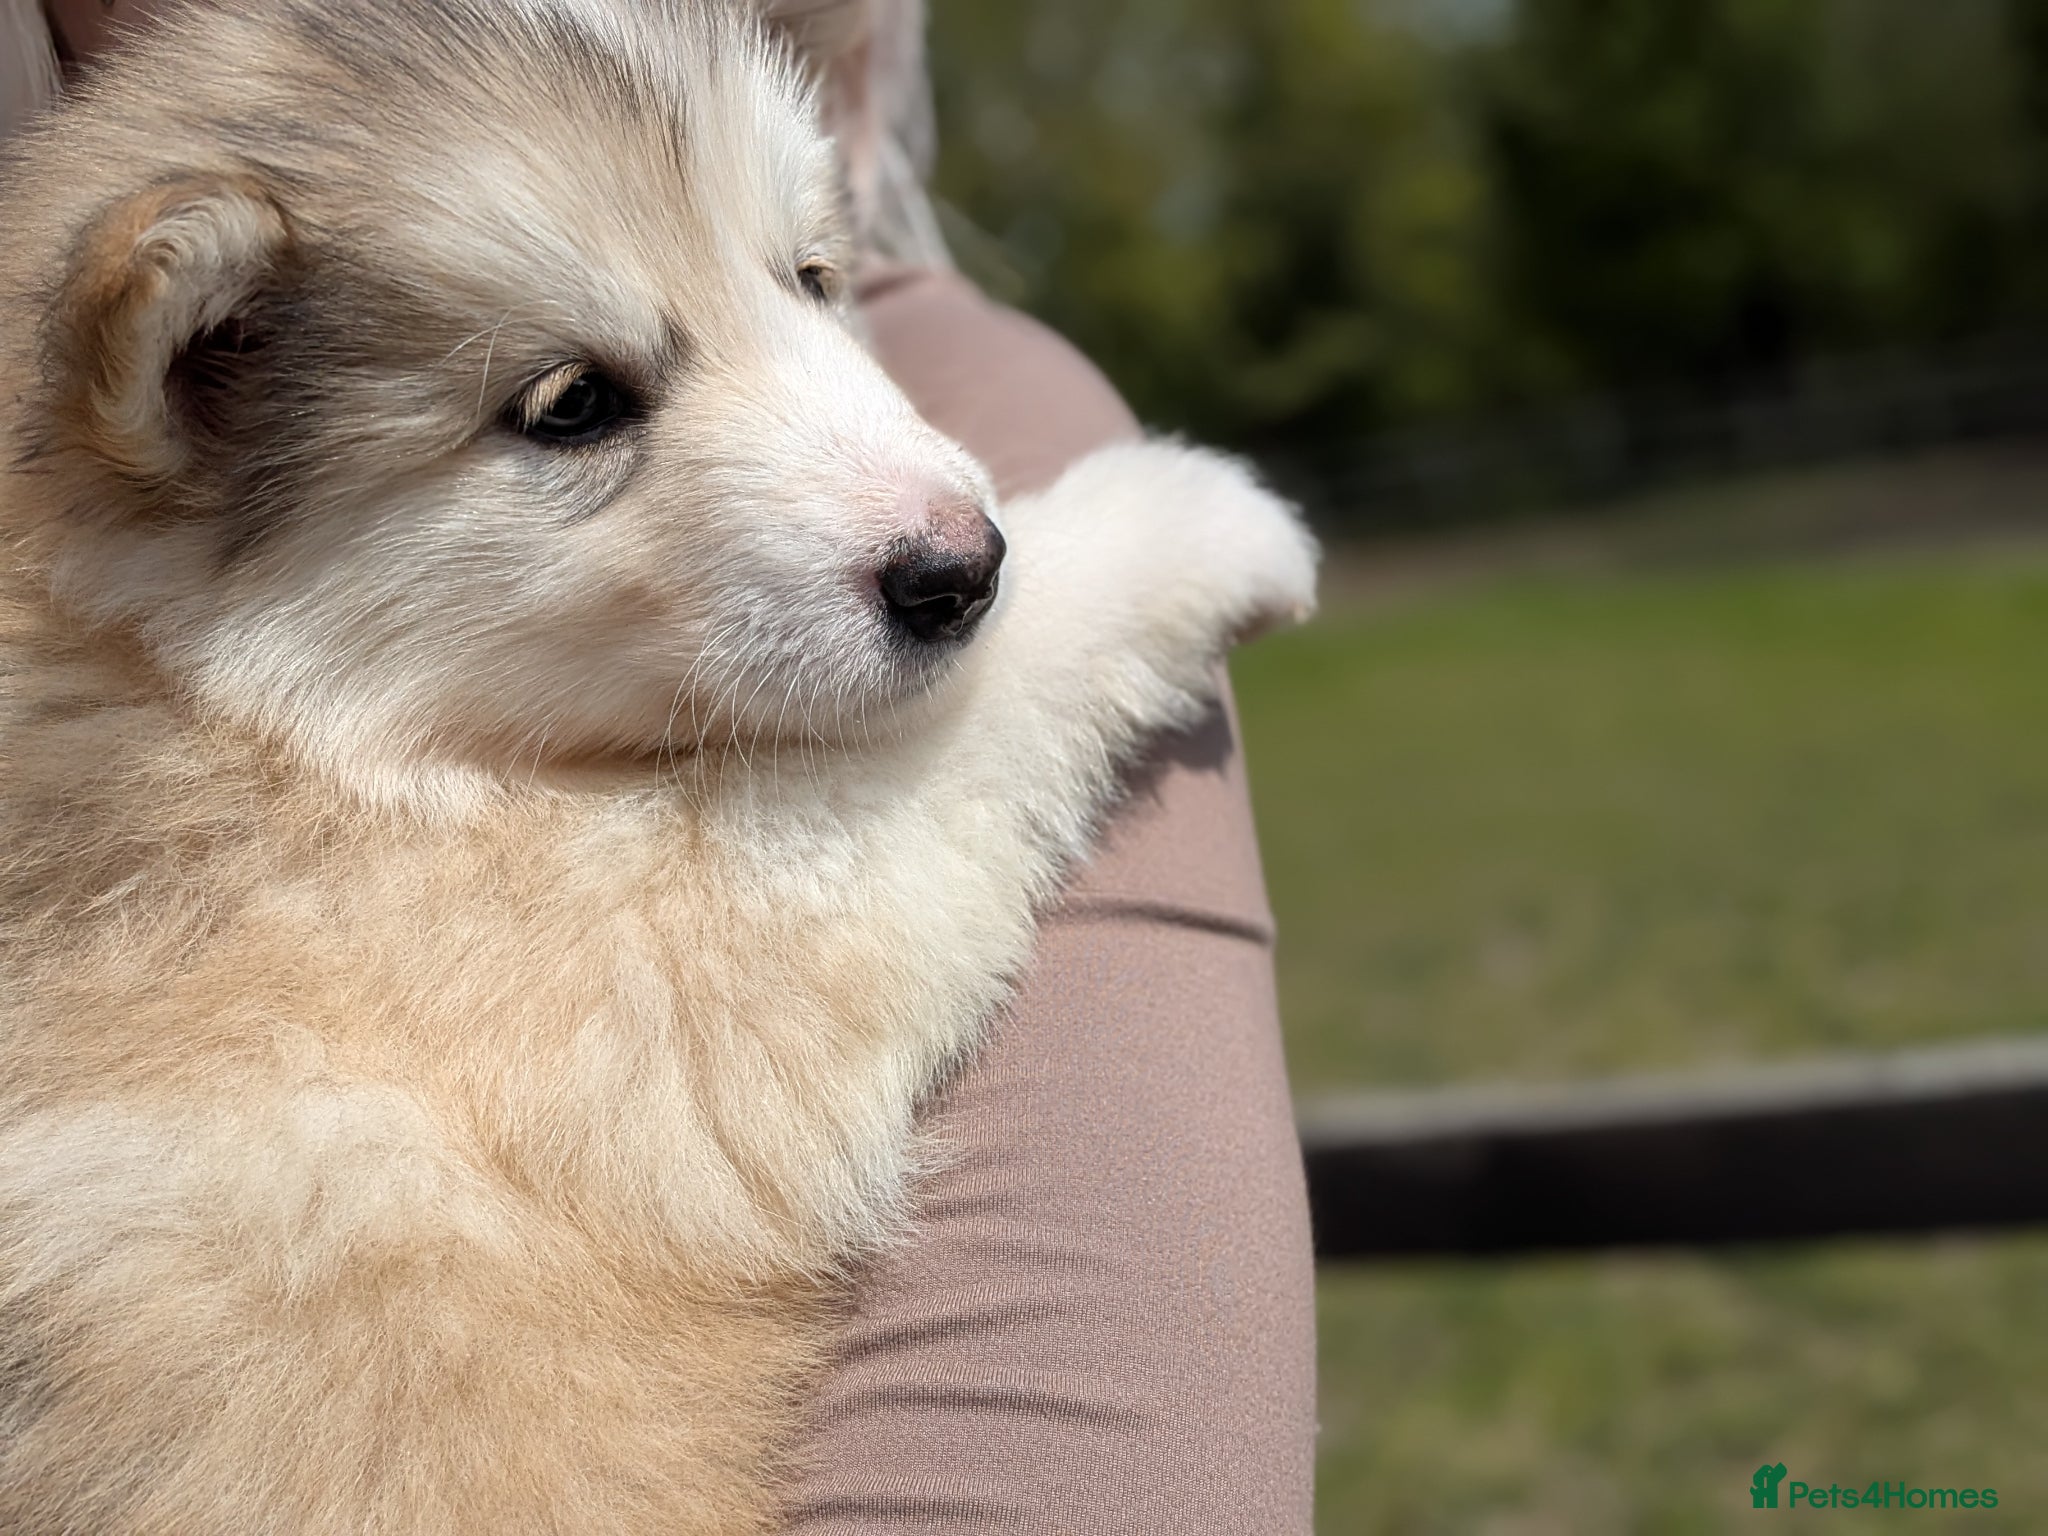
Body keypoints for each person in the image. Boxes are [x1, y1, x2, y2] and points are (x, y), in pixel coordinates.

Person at [11, 3, 1318, 1528]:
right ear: (204, 387)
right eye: (576, 410)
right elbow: (780, 992)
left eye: (809, 277)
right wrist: (1114, 590)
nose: (918, 494)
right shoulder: (215, 897)